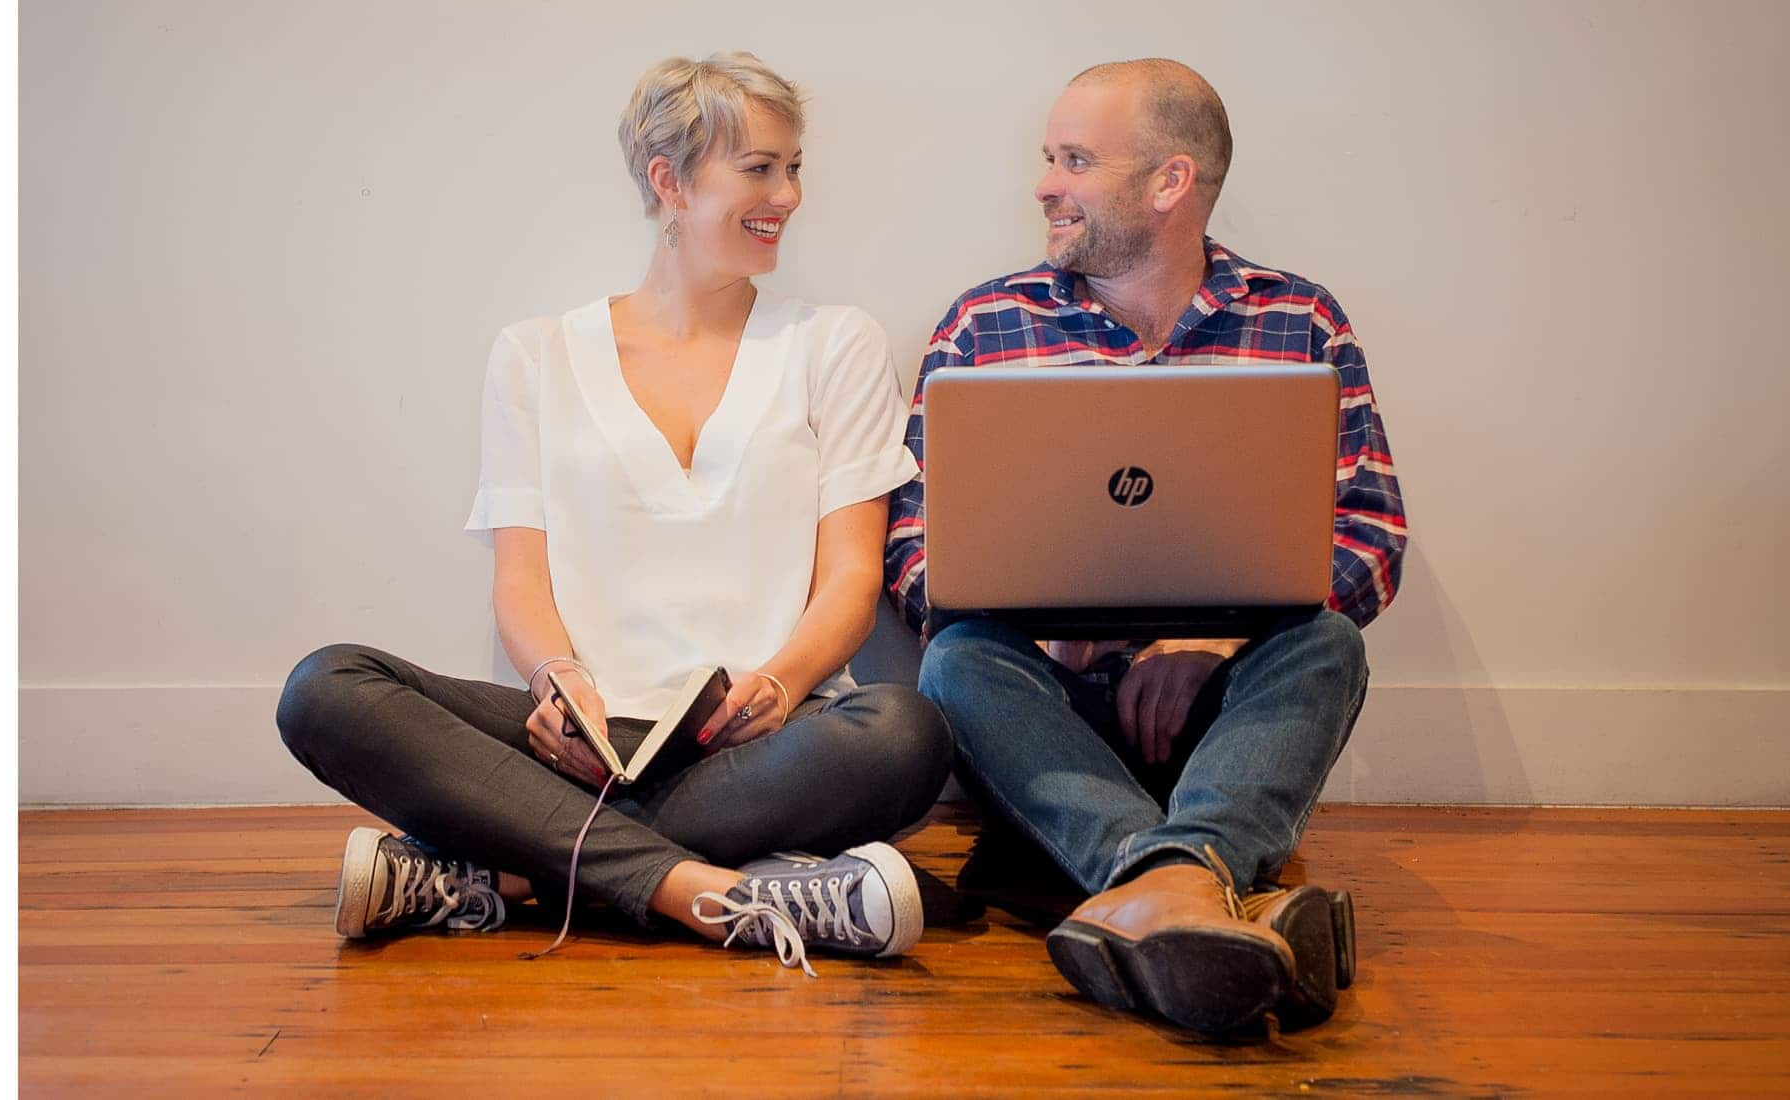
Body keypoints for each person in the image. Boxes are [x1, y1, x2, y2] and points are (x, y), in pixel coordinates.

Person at [277, 51, 950, 977]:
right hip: (573, 743)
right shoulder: (536, 353)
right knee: (326, 687)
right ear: (668, 180)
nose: (787, 194)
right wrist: (555, 682)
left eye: (795, 167)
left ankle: (505, 878)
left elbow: (849, 576)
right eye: (758, 168)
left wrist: (783, 685)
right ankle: (715, 895)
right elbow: (522, 575)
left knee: (907, 735)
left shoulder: (835, 342)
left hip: (758, 741)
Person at [887, 59, 1409, 1030]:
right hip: (1051, 724)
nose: (1044, 182)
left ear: (1170, 181)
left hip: (1226, 722)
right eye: (1049, 157)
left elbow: (1370, 533)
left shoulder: (1299, 320)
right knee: (960, 658)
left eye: (1075, 159)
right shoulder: (983, 324)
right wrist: (1043, 629)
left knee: (1327, 645)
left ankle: (1147, 887)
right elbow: (919, 552)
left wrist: (1211, 646)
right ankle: (1200, 881)